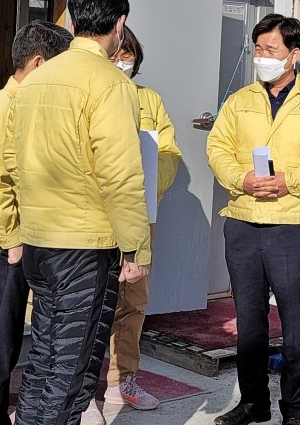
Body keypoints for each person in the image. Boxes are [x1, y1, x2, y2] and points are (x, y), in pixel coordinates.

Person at [0, 0, 153, 425]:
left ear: (73, 22)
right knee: (70, 369)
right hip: (84, 245)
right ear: (119, 24)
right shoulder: (110, 84)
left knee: (43, 356)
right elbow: (120, 173)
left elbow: (13, 164)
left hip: (39, 241)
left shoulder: (34, 82)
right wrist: (137, 247)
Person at [207, 14, 300, 425]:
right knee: (249, 325)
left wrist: (291, 182)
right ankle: (253, 403)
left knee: (296, 325)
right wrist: (241, 178)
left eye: (270, 50)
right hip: (243, 222)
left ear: (293, 55)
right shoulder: (239, 100)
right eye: (258, 49)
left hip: (291, 226)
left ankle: (296, 411)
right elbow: (218, 149)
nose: (262, 57)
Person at [0, 21, 72, 425]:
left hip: (8, 243)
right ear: (39, 63)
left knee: (4, 348)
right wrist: (12, 242)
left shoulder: (19, 105)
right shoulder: (5, 109)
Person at [82, 26, 181, 424]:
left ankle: (124, 380)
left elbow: (169, 151)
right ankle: (85, 392)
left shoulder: (148, 99)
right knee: (88, 303)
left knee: (133, 301)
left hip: (140, 214)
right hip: (92, 217)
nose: (122, 61)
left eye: (129, 55)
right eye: (117, 54)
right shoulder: (91, 93)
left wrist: (148, 182)